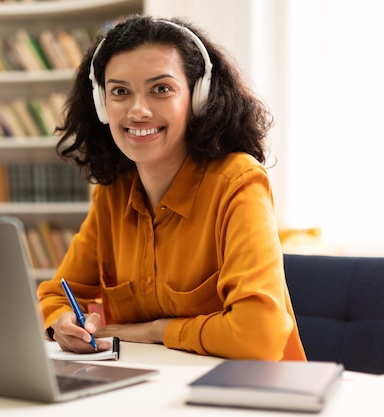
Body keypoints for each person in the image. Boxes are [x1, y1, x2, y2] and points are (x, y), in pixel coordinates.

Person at [36, 15, 307, 361]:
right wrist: (62, 323)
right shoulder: (113, 193)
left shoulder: (239, 183)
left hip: (254, 396)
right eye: (120, 92)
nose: (138, 110)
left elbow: (259, 335)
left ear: (198, 98)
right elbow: (56, 294)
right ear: (103, 105)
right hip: (152, 389)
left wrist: (154, 331)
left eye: (161, 89)